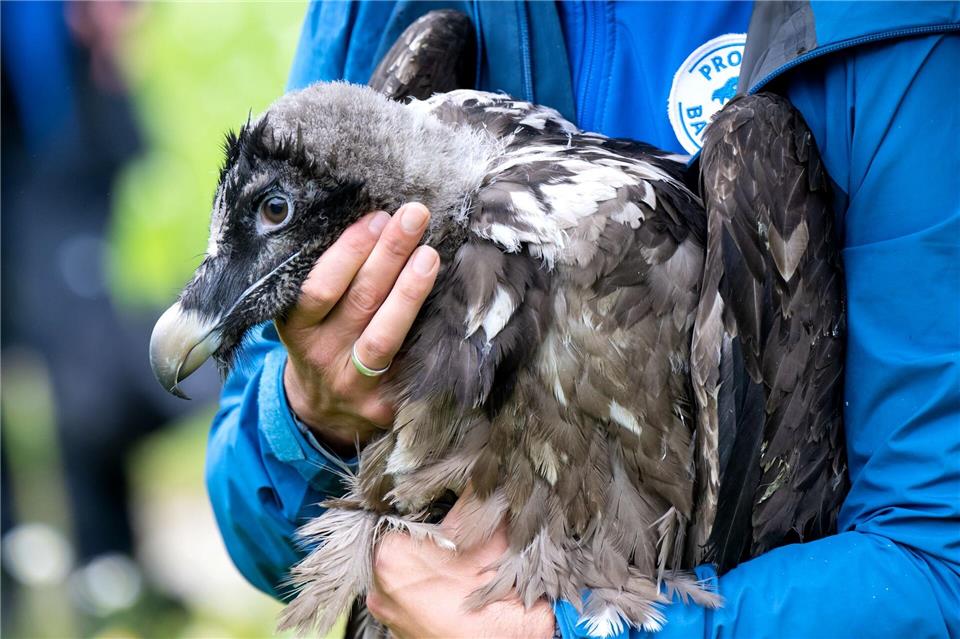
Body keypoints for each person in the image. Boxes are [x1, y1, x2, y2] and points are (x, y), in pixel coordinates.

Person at [205, 2, 960, 637]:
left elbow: (939, 565)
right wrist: (311, 415)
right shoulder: (401, 27)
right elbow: (256, 518)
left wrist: (565, 629)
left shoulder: (891, 27)